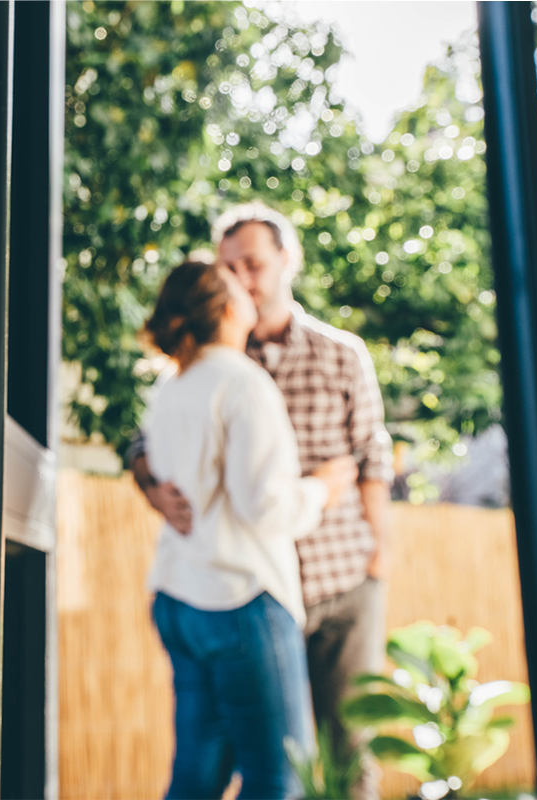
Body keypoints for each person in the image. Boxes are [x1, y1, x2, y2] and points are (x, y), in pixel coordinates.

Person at [131, 203, 394, 800]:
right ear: (222, 298)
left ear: (286, 262)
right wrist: (152, 486)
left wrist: (379, 557)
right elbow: (148, 449)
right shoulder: (219, 368)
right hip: (252, 592)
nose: (243, 279)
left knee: (343, 755)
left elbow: (372, 456)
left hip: (334, 580)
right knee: (279, 774)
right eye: (229, 270)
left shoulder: (340, 353)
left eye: (252, 264)